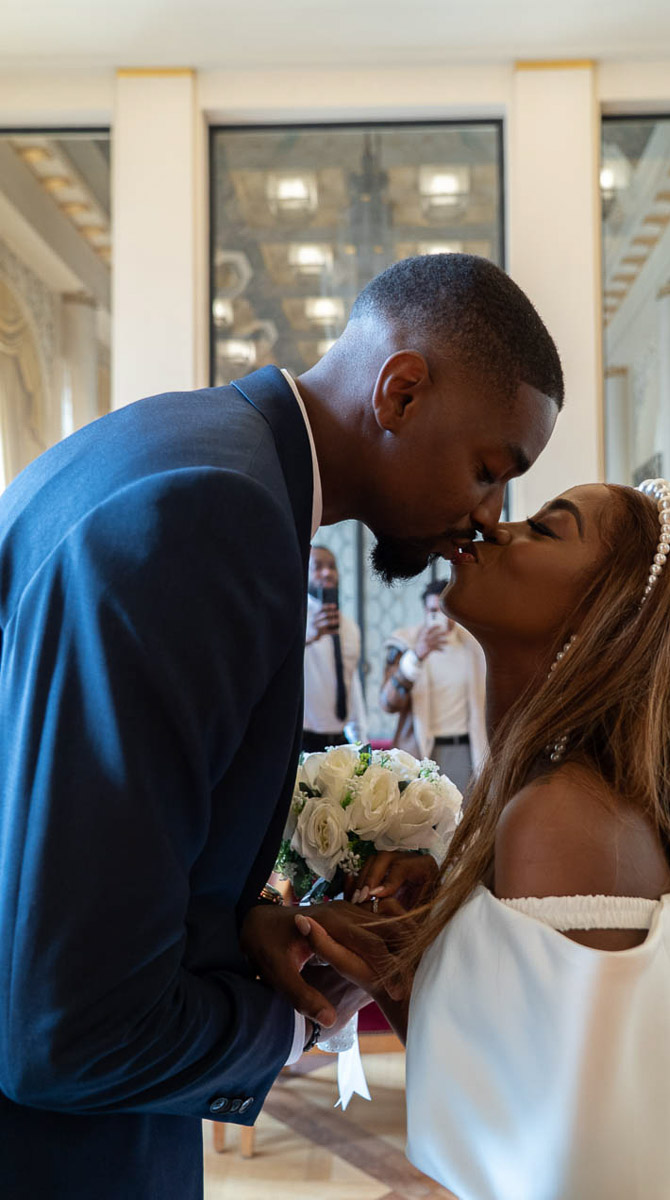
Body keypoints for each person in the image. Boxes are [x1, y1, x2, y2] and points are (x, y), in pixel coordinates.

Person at [0, 253, 563, 1198]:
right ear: (402, 390)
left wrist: (241, 923)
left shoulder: (179, 445)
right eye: (487, 469)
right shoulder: (210, 515)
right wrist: (299, 1016)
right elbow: (69, 1029)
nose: (485, 519)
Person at [299, 477, 670, 1199]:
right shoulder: (585, 796)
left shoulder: (564, 815)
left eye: (545, 528)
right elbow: (533, 1091)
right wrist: (416, 946)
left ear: (608, 617)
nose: (499, 529)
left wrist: (390, 967)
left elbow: (555, 1168)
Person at [380, 578, 485, 794]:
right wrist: (416, 656)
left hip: (466, 749)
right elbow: (388, 703)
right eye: (432, 610)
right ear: (425, 611)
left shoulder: (474, 645)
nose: (438, 617)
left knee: (462, 821)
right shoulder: (406, 642)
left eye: (444, 610)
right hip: (420, 749)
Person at [303, 544, 367, 751]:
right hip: (300, 738)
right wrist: (308, 636)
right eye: (318, 566)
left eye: (332, 566)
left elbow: (351, 683)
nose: (327, 572)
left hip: (341, 741)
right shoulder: (293, 620)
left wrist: (361, 742)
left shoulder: (349, 626)